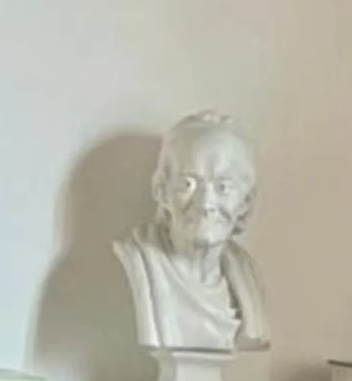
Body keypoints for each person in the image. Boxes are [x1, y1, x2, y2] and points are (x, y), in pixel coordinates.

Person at [115, 114, 270, 357]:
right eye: (188, 184)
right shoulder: (141, 261)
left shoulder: (248, 276)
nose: (205, 203)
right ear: (161, 190)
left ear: (246, 201)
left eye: (223, 187)